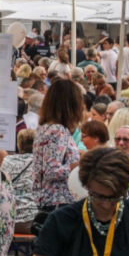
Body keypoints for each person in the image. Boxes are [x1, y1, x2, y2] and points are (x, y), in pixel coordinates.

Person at [33, 79, 83, 213]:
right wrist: (78, 164)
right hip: (58, 203)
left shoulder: (44, 128)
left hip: (50, 201)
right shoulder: (57, 130)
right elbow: (51, 171)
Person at [2, 129, 37, 234]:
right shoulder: (39, 161)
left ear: (18, 144)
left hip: (8, 221)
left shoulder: (7, 160)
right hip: (32, 222)